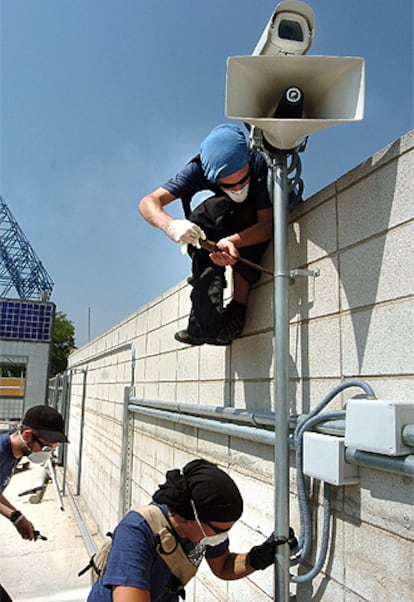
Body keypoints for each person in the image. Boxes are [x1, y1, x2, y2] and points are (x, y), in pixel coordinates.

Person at [138, 123, 273, 346]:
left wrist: (232, 241)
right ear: (212, 177)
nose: (238, 187)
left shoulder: (259, 162)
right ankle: (205, 322)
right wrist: (171, 226)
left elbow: (267, 225)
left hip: (260, 214)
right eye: (229, 184)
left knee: (245, 215)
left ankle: (237, 312)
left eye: (242, 179)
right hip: (229, 221)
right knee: (202, 219)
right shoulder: (198, 169)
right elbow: (148, 203)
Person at [87, 458, 295, 602]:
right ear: (193, 520)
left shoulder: (204, 533)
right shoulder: (136, 533)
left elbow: (223, 566)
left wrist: (257, 558)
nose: (222, 537)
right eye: (220, 530)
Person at [0, 405, 69, 602]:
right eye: (46, 447)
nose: (47, 453)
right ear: (28, 435)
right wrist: (15, 517)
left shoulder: (14, 454)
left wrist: (18, 517)